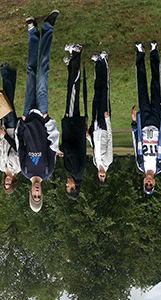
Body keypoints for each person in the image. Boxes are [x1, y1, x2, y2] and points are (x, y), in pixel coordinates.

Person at [15, 10, 60, 212]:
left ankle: (33, 32)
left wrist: (21, 122)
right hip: (41, 115)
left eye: (34, 195)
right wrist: (48, 119)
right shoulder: (48, 170)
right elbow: (54, 142)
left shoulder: (24, 170)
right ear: (42, 193)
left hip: (27, 114)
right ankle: (48, 27)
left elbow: (19, 143)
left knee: (31, 72)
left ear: (30, 193)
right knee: (43, 72)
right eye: (39, 195)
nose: (36, 192)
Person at [132, 42, 161, 195]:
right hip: (156, 121)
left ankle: (140, 53)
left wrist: (134, 122)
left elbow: (136, 142)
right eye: (150, 184)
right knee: (155, 86)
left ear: (143, 182)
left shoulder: (140, 164)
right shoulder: (160, 165)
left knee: (141, 88)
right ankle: (154, 51)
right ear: (154, 182)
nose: (148, 182)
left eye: (146, 184)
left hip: (144, 122)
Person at [59, 43, 87, 201]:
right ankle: (77, 53)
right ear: (74, 187)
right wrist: (60, 149)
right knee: (73, 90)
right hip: (73, 125)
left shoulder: (75, 173)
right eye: (68, 187)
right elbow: (72, 151)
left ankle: (71, 63)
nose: (66, 184)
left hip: (72, 126)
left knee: (71, 92)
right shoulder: (76, 172)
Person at [88, 51, 113, 186]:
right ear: (106, 175)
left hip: (95, 127)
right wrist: (107, 120)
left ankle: (97, 63)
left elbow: (94, 146)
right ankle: (104, 61)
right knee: (104, 92)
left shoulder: (95, 163)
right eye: (104, 176)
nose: (102, 174)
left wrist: (88, 137)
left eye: (100, 176)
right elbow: (110, 139)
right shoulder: (108, 160)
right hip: (104, 125)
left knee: (97, 94)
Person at [0, 62, 20, 195]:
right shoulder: (18, 168)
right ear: (13, 182)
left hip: (2, 131)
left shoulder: (1, 167)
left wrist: (0, 135)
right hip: (11, 131)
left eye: (5, 183)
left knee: (8, 103)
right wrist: (6, 135)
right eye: (9, 184)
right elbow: (17, 148)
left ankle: (11, 74)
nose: (7, 181)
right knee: (7, 104)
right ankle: (5, 71)